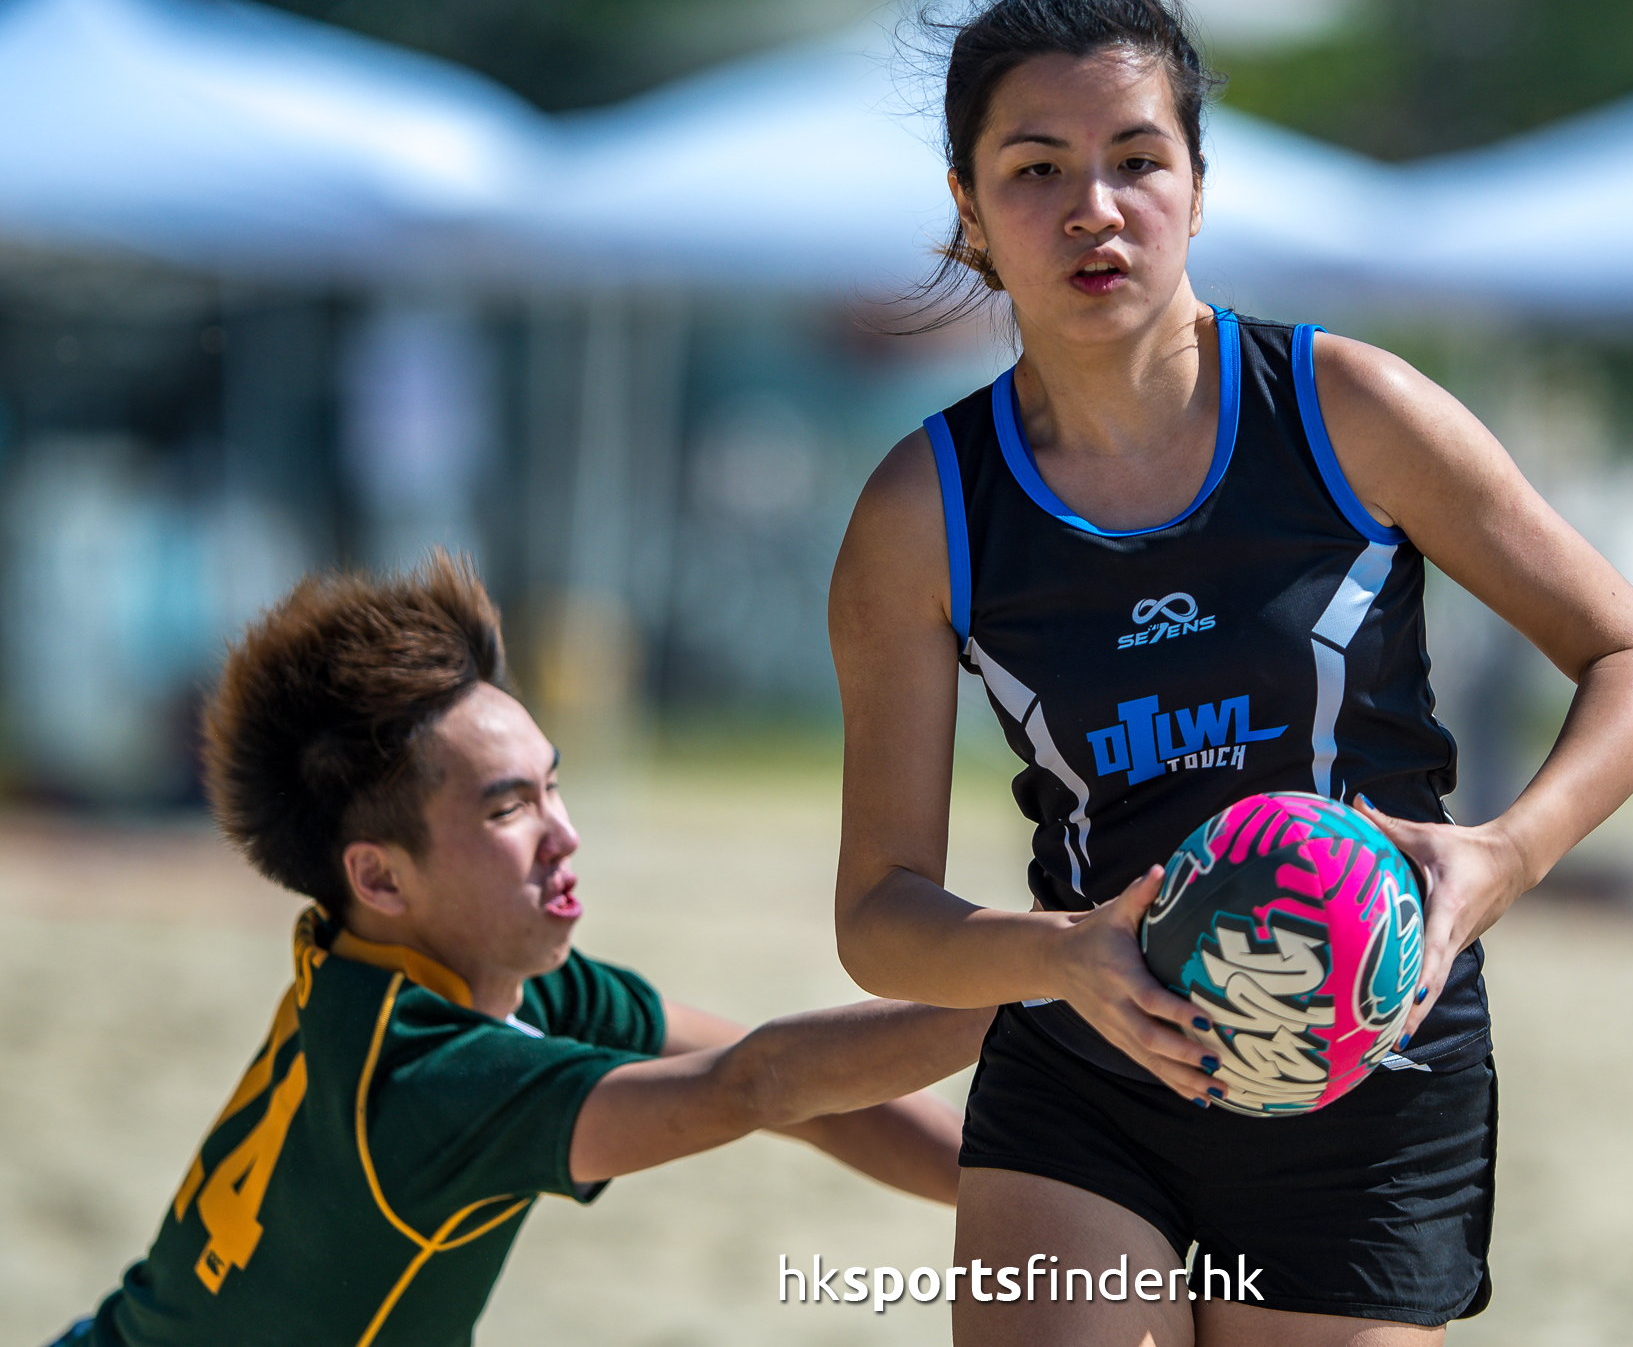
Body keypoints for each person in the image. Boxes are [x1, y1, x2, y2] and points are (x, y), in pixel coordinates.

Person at [829, 0, 1633, 1343]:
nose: (1094, 209)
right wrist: (1062, 955)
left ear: (1195, 180)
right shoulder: (920, 512)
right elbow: (879, 916)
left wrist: (1508, 855)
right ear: (967, 204)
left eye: (1136, 158)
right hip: (1090, 1067)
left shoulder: (1350, 410)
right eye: (1036, 169)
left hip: (1368, 1063)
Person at [53, 552, 990, 1347]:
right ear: (379, 877)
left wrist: (1042, 1179)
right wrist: (1033, 979)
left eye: (552, 785)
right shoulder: (427, 1085)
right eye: (507, 808)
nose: (564, 834)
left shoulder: (452, 967)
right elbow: (754, 1084)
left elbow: (815, 1103)